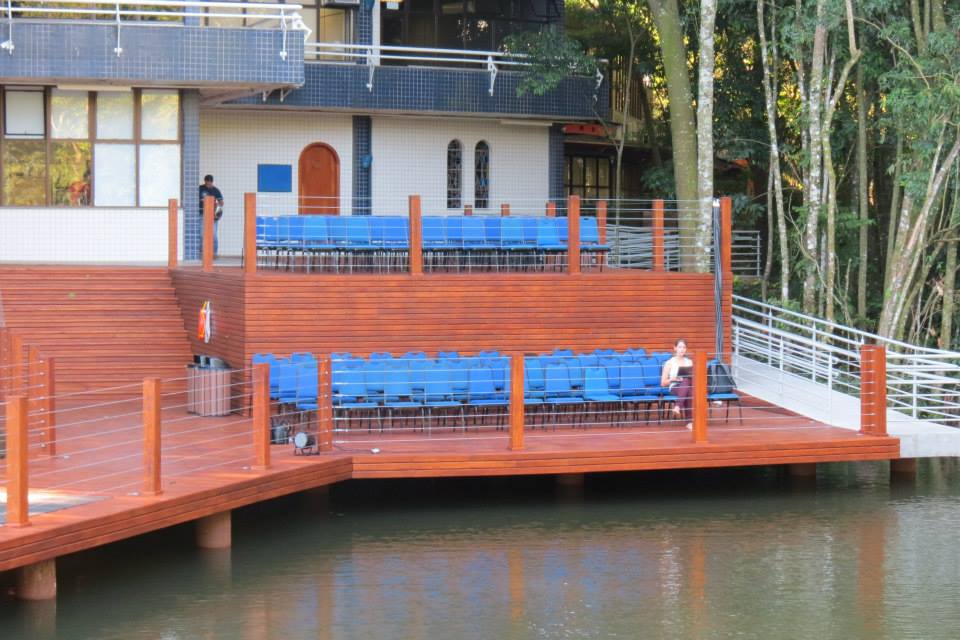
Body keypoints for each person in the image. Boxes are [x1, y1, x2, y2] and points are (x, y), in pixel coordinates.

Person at [661, 338, 693, 429]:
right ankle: (689, 422)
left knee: (687, 384)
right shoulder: (669, 363)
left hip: (688, 385)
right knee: (687, 387)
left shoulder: (689, 362)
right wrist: (672, 379)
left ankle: (678, 406)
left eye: (684, 347)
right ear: (675, 348)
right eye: (680, 347)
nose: (682, 349)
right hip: (675, 386)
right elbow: (663, 383)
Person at [198, 174, 224, 256]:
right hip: (201, 214)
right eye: (207, 183)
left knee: (214, 235)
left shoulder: (215, 190)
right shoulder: (200, 189)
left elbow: (221, 202)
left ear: (212, 182)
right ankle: (201, 252)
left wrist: (217, 211)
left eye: (210, 183)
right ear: (205, 181)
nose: (209, 184)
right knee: (201, 234)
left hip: (212, 215)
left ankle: (214, 252)